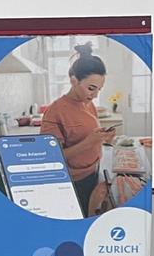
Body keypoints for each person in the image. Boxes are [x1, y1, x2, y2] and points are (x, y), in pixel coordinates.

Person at [40, 44, 116, 217]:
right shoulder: (55, 112)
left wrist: (103, 138)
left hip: (93, 172)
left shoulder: (88, 104)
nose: (95, 95)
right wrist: (90, 142)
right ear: (74, 80)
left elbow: (86, 135)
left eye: (99, 89)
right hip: (73, 182)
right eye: (91, 88)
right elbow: (51, 158)